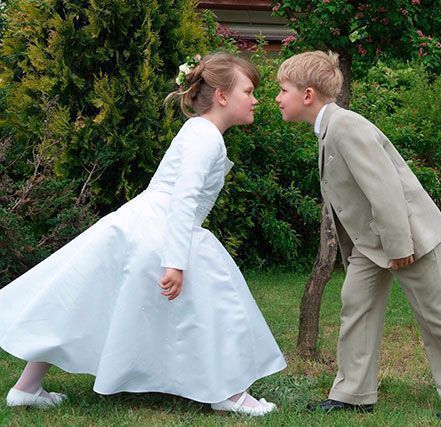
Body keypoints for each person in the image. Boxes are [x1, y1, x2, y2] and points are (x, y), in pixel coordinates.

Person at [0, 52, 286, 416]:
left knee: (83, 299)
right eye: (249, 90)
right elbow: (184, 198)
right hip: (160, 228)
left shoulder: (201, 131)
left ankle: (27, 386)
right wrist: (175, 261)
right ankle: (228, 392)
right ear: (222, 96)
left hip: (142, 221)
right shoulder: (206, 137)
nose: (256, 98)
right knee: (221, 302)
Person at [275, 51, 441, 419]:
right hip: (370, 241)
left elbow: (385, 189)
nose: (277, 98)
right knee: (355, 304)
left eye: (282, 90)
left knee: (437, 313)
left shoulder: (345, 126)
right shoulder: (328, 129)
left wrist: (400, 246)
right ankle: (353, 393)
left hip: (406, 235)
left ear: (308, 95)